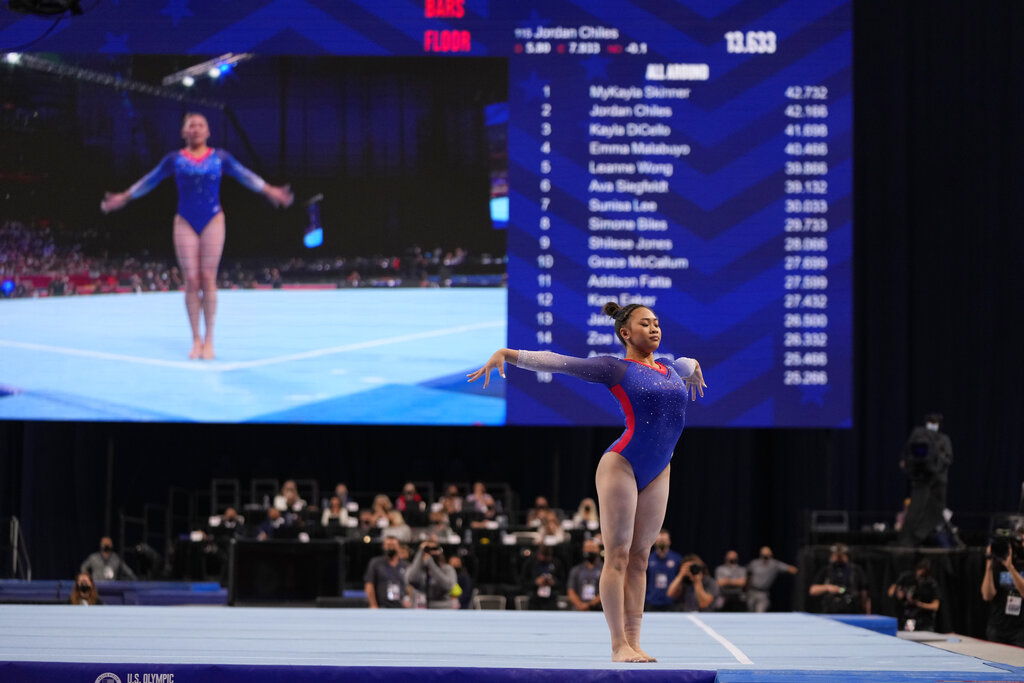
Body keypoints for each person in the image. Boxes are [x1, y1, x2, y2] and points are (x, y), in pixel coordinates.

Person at [469, 301, 706, 662]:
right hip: (622, 464)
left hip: (660, 467)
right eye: (646, 324)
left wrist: (693, 369)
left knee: (641, 558)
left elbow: (686, 364)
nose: (655, 328)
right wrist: (508, 353)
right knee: (618, 555)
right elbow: (559, 362)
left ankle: (634, 641)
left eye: (657, 323)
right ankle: (617, 646)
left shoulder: (670, 364)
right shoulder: (614, 368)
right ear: (626, 333)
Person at [100, 112, 293, 360]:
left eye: (201, 125)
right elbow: (149, 181)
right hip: (185, 220)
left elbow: (245, 175)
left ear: (208, 131)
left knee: (208, 278)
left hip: (213, 218)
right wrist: (124, 197)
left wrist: (270, 190)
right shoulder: (174, 159)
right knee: (191, 279)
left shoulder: (220, 157)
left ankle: (210, 339)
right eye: (191, 125)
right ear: (183, 132)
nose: (196, 129)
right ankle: (196, 339)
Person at [898, 413, 954, 546]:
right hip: (921, 481)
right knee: (915, 511)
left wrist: (938, 459)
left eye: (935, 422)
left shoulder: (944, 439)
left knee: (934, 511)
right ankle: (910, 539)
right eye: (930, 422)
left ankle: (928, 536)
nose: (932, 425)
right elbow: (909, 454)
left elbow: (948, 459)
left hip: (937, 483)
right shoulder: (917, 437)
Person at [980, 537, 1024, 646]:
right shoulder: (997, 566)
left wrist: (1010, 567)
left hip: (1020, 629)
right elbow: (987, 596)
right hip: (997, 627)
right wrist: (989, 566)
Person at [809, 543, 871, 614]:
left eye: (841, 555)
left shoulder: (856, 570)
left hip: (852, 610)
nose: (838, 558)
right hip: (830, 611)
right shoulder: (826, 570)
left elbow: (865, 593)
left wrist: (867, 612)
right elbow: (812, 590)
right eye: (836, 555)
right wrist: (827, 587)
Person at [888, 558, 940, 631]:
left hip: (925, 622)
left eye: (923, 572)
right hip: (908, 618)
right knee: (908, 636)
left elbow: (935, 606)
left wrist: (919, 604)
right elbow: (891, 590)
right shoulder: (907, 577)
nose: (920, 573)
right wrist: (897, 594)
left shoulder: (931, 584)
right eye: (919, 570)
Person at [407, 540, 457, 609]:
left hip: (443, 608)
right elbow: (410, 579)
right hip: (421, 606)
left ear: (439, 551)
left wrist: (431, 565)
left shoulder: (447, 569)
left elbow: (448, 586)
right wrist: (420, 552)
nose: (431, 552)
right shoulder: (418, 569)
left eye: (434, 549)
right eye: (428, 549)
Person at [746, 546, 797, 613]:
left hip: (763, 593)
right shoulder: (754, 563)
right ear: (760, 554)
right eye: (763, 555)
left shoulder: (774, 564)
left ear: (771, 555)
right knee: (750, 613)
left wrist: (800, 570)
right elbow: (746, 574)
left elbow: (791, 569)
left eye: (767, 555)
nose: (765, 557)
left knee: (759, 614)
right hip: (751, 592)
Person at [364, 536, 410, 609]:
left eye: (393, 545)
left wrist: (409, 599)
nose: (391, 548)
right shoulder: (376, 563)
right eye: (388, 545)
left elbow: (411, 585)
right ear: (383, 546)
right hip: (382, 607)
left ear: (398, 547)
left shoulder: (406, 565)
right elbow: (369, 585)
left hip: (401, 607)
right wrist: (373, 605)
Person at [645, 530, 682, 612]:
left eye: (664, 540)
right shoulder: (647, 559)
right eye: (659, 541)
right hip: (651, 603)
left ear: (669, 542)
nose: (662, 543)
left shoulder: (676, 559)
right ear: (654, 542)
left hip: (671, 604)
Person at [521, 544, 564, 611]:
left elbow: (563, 582)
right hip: (534, 599)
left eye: (547, 556)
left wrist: (553, 582)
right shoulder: (530, 563)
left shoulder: (556, 563)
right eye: (543, 555)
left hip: (551, 599)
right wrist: (535, 582)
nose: (545, 558)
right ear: (538, 554)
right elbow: (523, 583)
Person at [568, 539, 604, 611]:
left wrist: (590, 605)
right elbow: (571, 590)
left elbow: (607, 591)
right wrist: (579, 605)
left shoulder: (604, 570)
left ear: (598, 550)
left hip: (599, 609)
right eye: (587, 548)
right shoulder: (576, 570)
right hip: (580, 608)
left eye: (592, 548)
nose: (589, 551)